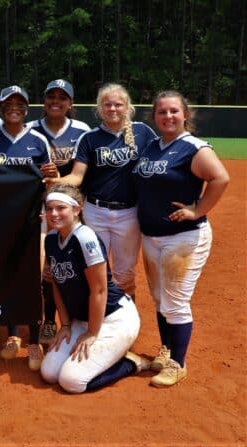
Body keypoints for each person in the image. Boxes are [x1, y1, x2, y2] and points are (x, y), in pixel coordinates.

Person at [132, 91, 229, 387]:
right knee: (161, 299)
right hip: (152, 236)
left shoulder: (193, 147)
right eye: (162, 112)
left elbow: (220, 178)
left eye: (174, 111)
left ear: (185, 114)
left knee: (175, 302)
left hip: (183, 237)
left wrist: (198, 209)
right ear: (154, 117)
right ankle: (168, 349)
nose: (168, 116)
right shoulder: (152, 146)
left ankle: (178, 363)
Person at [0, 85, 57, 371]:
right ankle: (11, 335)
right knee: (6, 276)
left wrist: (51, 174)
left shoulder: (38, 140)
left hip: (33, 219)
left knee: (34, 278)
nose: (14, 108)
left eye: (20, 103)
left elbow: (49, 179)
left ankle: (34, 340)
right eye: (8, 103)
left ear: (26, 108)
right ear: (0, 106)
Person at [40, 184, 150, 393]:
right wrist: (64, 325)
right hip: (81, 321)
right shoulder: (52, 240)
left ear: (77, 209)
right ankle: (105, 354)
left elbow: (99, 291)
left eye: (60, 208)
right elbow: (57, 283)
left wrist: (92, 332)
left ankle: (130, 363)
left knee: (71, 382)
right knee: (49, 373)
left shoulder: (85, 238)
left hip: (113, 319)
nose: (53, 213)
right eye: (49, 208)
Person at [51, 83, 157, 299]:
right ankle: (98, 320)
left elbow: (161, 156)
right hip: (95, 212)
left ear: (127, 107)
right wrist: (55, 181)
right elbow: (77, 176)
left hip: (129, 213)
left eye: (118, 104)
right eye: (107, 104)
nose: (113, 109)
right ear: (100, 108)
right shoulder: (90, 138)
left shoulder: (143, 132)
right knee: (94, 268)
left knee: (125, 273)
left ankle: (126, 322)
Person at [28, 80, 91, 346]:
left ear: (71, 103)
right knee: (46, 266)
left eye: (62, 97)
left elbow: (83, 173)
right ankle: (49, 321)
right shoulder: (31, 130)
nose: (56, 101)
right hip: (40, 208)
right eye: (51, 96)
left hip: (71, 207)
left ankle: (77, 317)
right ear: (43, 101)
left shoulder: (82, 131)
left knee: (73, 264)